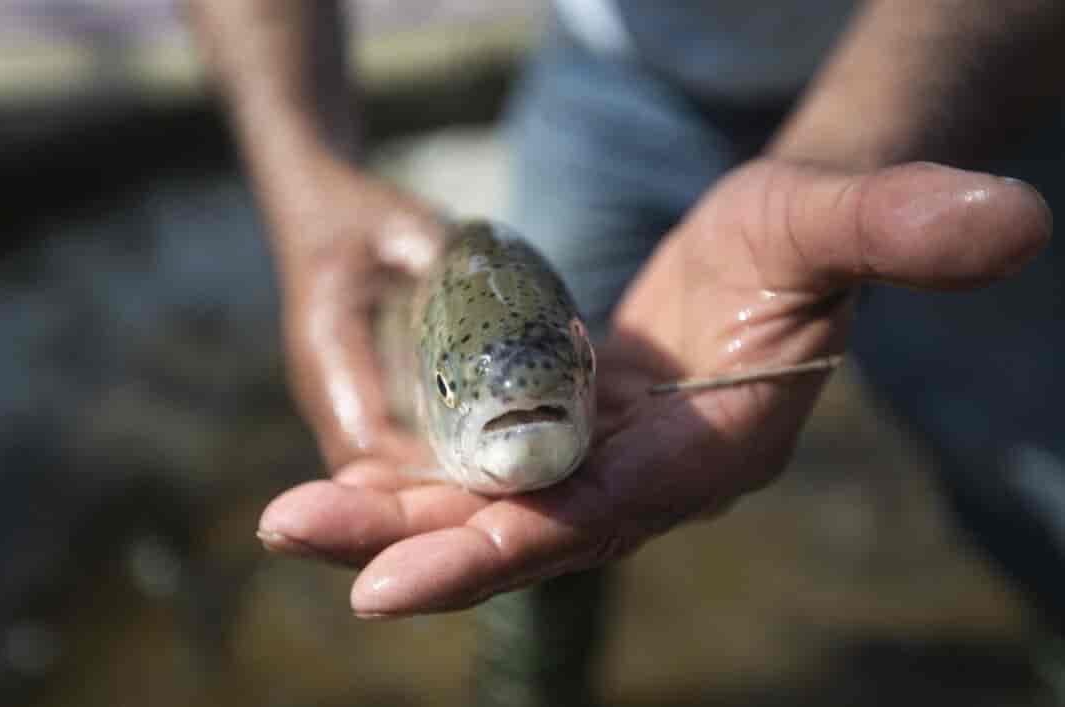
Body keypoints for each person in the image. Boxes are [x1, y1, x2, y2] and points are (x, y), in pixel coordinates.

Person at [186, 0, 1060, 632]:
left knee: (1033, 471)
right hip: (609, 78)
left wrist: (839, 157)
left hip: (976, 54)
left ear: (584, 360)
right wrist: (301, 173)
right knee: (529, 578)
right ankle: (531, 670)